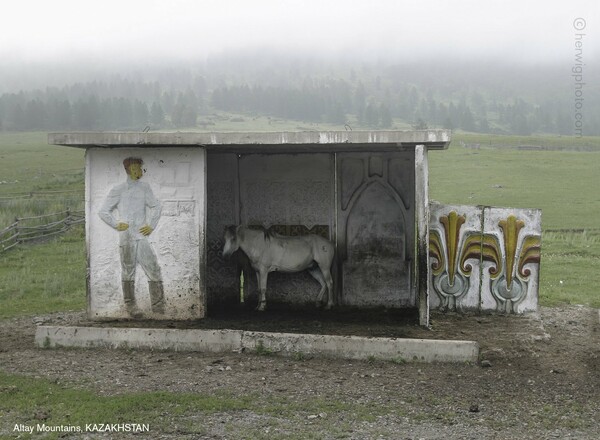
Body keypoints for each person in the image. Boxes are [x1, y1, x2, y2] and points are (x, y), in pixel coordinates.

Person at [98, 157, 164, 317]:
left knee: (153, 268)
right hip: (126, 236)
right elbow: (103, 211)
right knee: (128, 270)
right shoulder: (118, 189)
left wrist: (151, 225)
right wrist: (115, 224)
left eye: (140, 168)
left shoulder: (145, 188)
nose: (139, 171)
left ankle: (159, 307)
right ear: (128, 170)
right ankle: (131, 306)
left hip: (141, 236)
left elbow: (156, 206)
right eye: (135, 168)